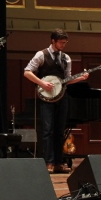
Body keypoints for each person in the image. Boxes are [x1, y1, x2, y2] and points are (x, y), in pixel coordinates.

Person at [23, 29, 88, 174]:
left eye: (65, 43)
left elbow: (67, 79)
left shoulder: (66, 58)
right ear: (53, 41)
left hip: (62, 97)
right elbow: (27, 72)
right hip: (46, 97)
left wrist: (80, 78)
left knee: (60, 131)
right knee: (48, 130)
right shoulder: (41, 55)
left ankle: (59, 162)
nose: (63, 45)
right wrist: (42, 83)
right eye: (61, 42)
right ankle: (49, 162)